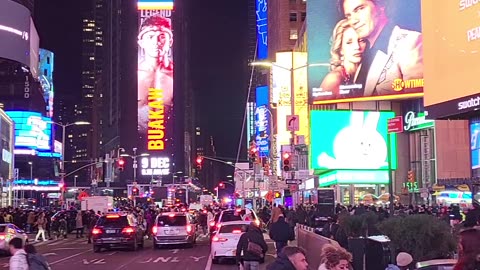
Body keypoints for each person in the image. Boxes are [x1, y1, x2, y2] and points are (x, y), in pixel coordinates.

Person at [338, 0, 423, 97]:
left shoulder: (409, 41)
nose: (353, 21)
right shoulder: (364, 54)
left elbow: (416, 101)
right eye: (348, 16)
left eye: (360, 9)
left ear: (380, 5)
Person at [137, 14, 174, 132]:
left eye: (162, 36)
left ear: (170, 41)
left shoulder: (176, 76)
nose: (156, 42)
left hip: (169, 140)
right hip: (137, 144)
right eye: (150, 37)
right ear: (141, 42)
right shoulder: (134, 76)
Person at [320, 19, 366, 96]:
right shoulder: (334, 79)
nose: (357, 46)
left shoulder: (368, 73)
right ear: (340, 49)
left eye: (361, 40)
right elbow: (318, 107)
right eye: (349, 42)